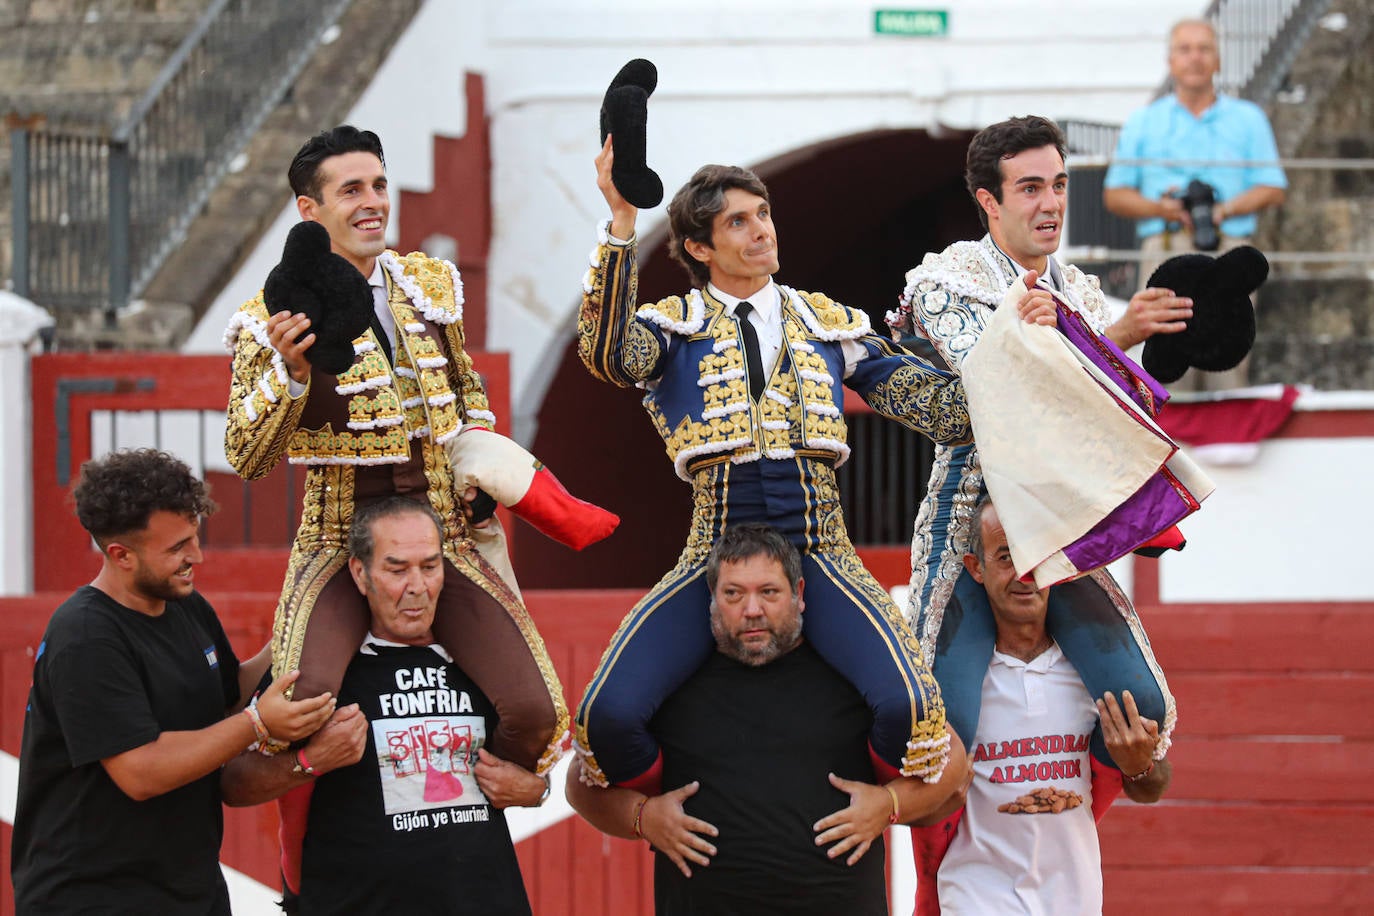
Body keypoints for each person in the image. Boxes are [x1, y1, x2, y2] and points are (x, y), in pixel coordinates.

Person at [575, 137, 972, 792]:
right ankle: (677, 805)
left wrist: (1018, 362)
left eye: (763, 214)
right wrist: (620, 225)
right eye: (738, 221)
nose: (761, 230)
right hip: (715, 549)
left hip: (818, 545)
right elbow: (610, 352)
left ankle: (874, 806)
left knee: (914, 710)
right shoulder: (672, 328)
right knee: (606, 717)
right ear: (699, 248)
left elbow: (940, 411)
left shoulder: (828, 324)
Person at [221, 125, 566, 879]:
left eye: (378, 184)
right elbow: (246, 456)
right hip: (342, 533)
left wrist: (479, 458)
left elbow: (466, 392)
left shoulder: (428, 284)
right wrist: (289, 374)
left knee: (535, 712)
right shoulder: (271, 314)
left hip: (439, 527)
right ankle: (299, 874)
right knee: (303, 701)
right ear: (310, 209)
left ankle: (469, 814)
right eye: (353, 190)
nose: (373, 202)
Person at [886, 115, 1179, 779]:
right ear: (989, 201)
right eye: (1029, 188)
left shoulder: (1078, 291)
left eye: (1060, 185)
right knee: (934, 729)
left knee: (1145, 714)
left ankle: (1077, 801)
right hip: (969, 527)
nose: (1050, 205)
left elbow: (1107, 413)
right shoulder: (947, 282)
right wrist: (1114, 338)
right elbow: (996, 391)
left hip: (1058, 528)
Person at [567, 523, 969, 916]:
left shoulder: (852, 674)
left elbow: (952, 763)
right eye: (734, 594)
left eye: (769, 592)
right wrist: (642, 818)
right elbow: (580, 785)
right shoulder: (671, 682)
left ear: (799, 594)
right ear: (712, 597)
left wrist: (889, 803)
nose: (752, 609)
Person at [11, 449, 336, 914]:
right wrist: (258, 724)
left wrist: (286, 640)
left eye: (195, 537)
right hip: (92, 898)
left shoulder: (183, 603)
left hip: (188, 890)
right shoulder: (85, 637)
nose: (196, 557)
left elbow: (227, 694)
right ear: (120, 555)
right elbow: (141, 772)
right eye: (177, 548)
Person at [223, 497, 543, 914]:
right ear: (360, 572)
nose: (417, 586)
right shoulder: (323, 669)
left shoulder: (482, 664)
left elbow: (532, 774)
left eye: (429, 566)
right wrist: (312, 759)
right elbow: (233, 784)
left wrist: (535, 791)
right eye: (396, 569)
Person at [912, 495, 1172, 915]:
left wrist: (1139, 764)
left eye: (1036, 552)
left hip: (1075, 900)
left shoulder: (1089, 678)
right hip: (975, 899)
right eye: (1005, 557)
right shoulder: (957, 687)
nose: (1025, 573)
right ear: (976, 568)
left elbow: (1152, 788)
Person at [1104, 17, 1287, 389]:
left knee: (1229, 366)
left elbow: (1273, 186)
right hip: (1164, 250)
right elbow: (1115, 194)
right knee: (1163, 369)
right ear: (1170, 61)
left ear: (1218, 61)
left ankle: (1228, 444)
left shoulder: (1248, 119)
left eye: (1204, 49)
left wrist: (1225, 209)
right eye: (1185, 49)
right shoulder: (1143, 121)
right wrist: (1163, 208)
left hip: (1228, 249)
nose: (1195, 58)